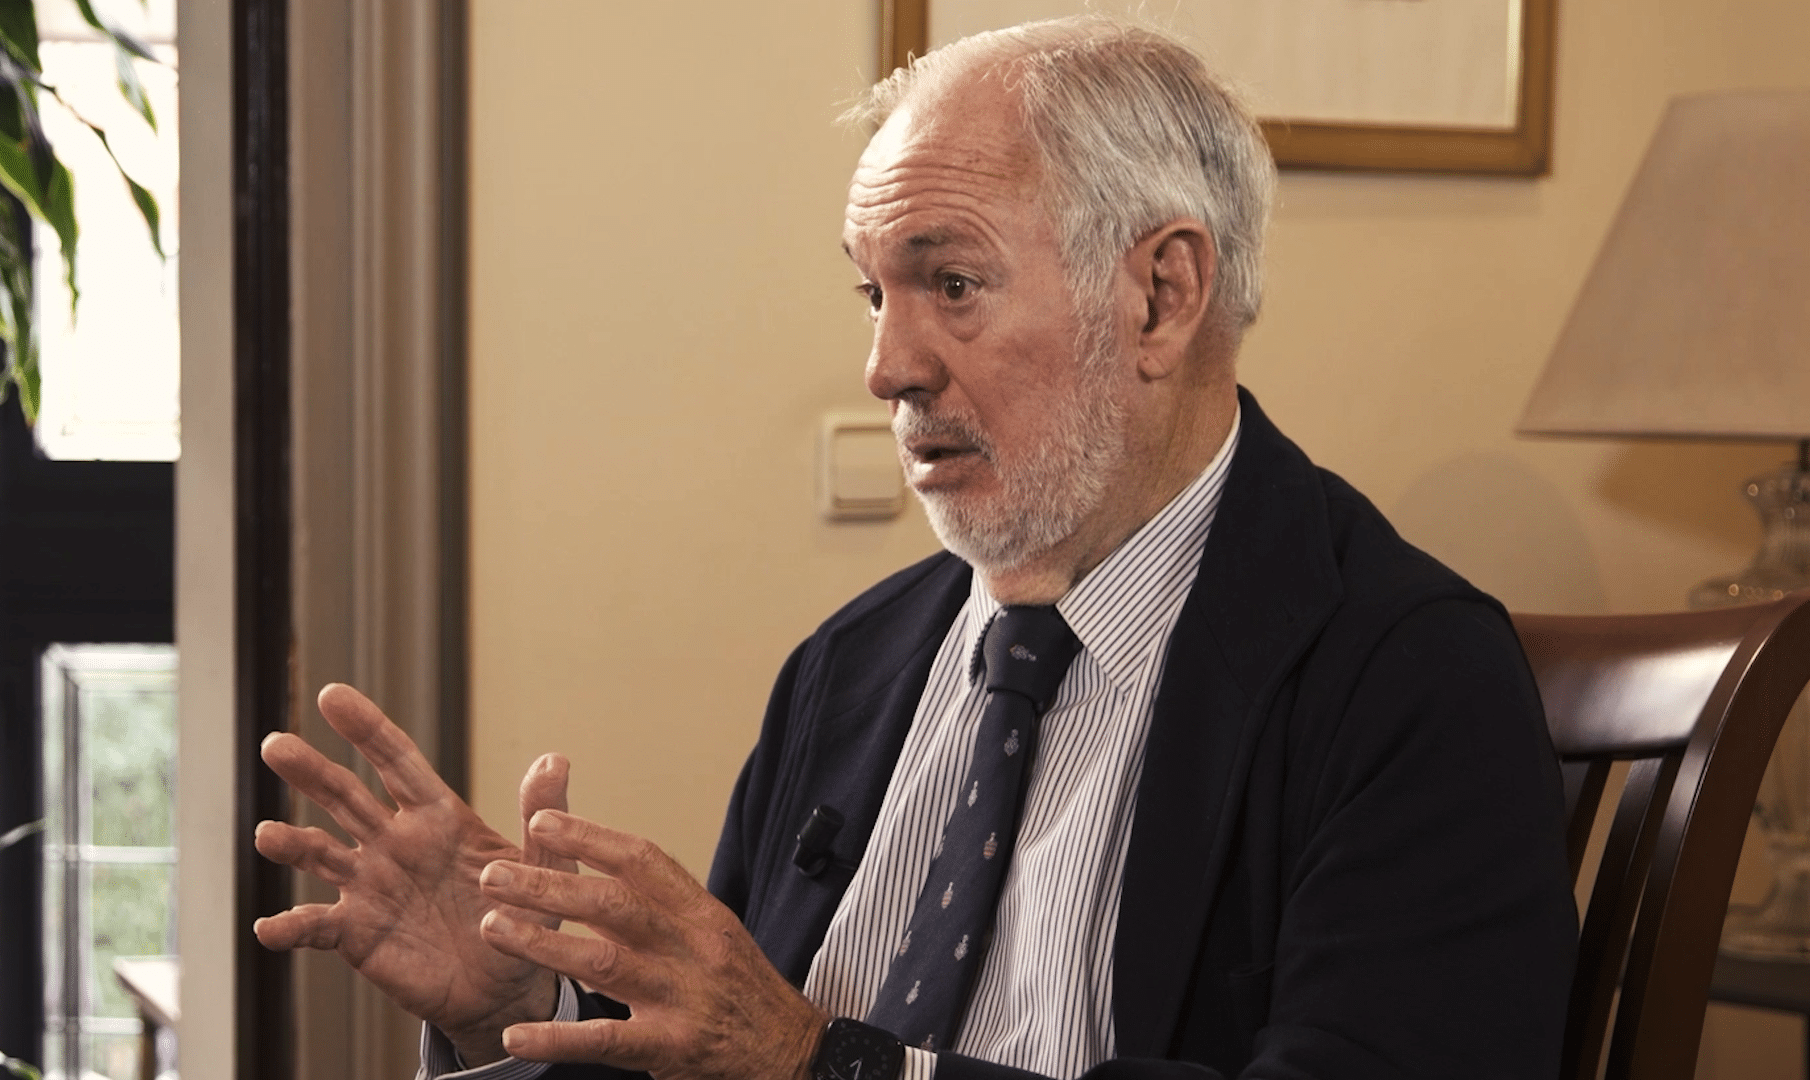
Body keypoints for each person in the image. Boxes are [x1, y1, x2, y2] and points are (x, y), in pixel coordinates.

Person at [253, 16, 1578, 1080]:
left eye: (952, 283)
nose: (887, 365)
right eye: (871, 290)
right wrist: (528, 1004)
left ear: (1160, 297)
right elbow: (728, 1059)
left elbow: (781, 1054)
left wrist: (822, 1064)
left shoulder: (1406, 679)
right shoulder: (850, 668)